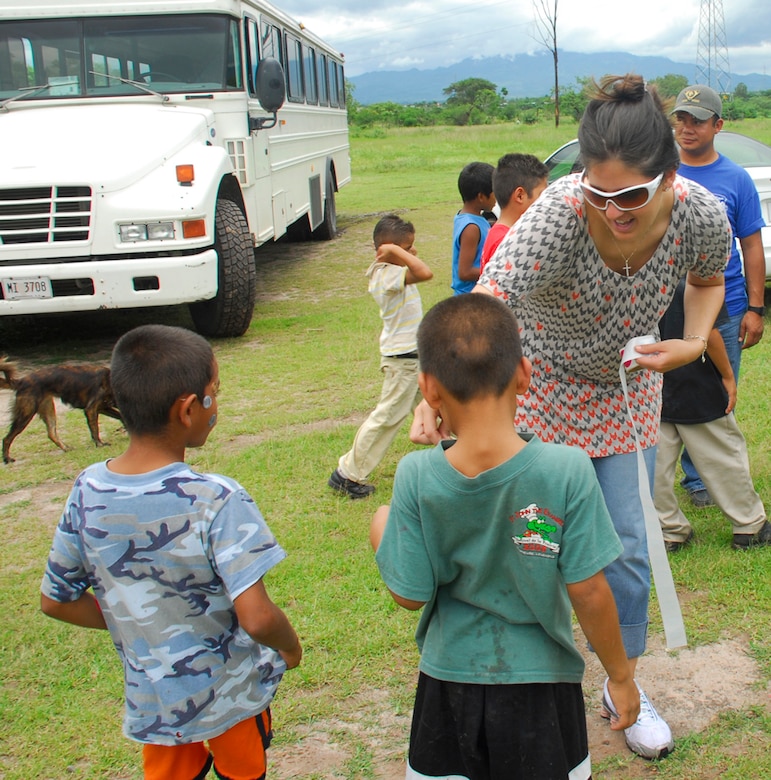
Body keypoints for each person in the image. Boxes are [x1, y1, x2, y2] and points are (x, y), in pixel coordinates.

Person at [411, 73, 731, 761]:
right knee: (536, 544)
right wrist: (437, 392)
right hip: (540, 392)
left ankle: (624, 685)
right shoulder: (559, 213)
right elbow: (489, 303)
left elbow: (706, 282)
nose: (614, 210)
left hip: (624, 391)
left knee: (621, 545)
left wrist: (694, 340)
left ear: (670, 177)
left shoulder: (699, 214)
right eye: (599, 193)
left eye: (632, 196)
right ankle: (536, 674)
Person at [371, 294, 640, 780]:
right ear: (524, 372)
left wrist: (380, 526)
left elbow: (408, 595)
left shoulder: (414, 475)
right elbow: (589, 590)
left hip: (446, 686)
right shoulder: (568, 469)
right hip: (542, 688)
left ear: (427, 388)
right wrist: (620, 676)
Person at [40, 324, 302, 780]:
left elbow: (55, 600)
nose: (215, 404)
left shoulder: (87, 491)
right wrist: (291, 648)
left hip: (155, 706)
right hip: (232, 698)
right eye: (213, 393)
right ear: (188, 409)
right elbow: (257, 617)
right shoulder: (216, 498)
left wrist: (140, 618)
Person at [671, 84, 766, 508]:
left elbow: (751, 245)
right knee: (669, 389)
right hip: (665, 303)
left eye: (697, 120)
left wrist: (755, 307)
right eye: (681, 118)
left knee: (718, 388)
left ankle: (709, 476)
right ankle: (688, 477)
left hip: (722, 303)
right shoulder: (661, 173)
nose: (687, 127)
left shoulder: (735, 179)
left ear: (718, 125)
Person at [654, 280, 771, 551]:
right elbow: (710, 335)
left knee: (654, 467)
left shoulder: (633, 283)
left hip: (652, 389)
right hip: (699, 388)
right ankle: (749, 525)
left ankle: (668, 530)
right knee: (723, 457)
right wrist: (728, 377)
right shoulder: (692, 285)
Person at [329, 214, 433, 499]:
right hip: (402, 361)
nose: (413, 252)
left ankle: (457, 452)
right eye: (407, 247)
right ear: (387, 251)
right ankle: (347, 474)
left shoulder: (393, 271)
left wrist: (399, 251)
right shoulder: (385, 274)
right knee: (387, 417)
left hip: (412, 357)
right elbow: (425, 273)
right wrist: (397, 253)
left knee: (434, 406)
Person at [479, 152, 549, 272]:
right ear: (520, 196)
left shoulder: (504, 234)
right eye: (542, 194)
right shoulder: (507, 242)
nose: (547, 201)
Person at [451, 161, 496, 295]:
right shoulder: (471, 227)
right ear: (481, 196)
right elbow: (465, 272)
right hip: (469, 298)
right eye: (495, 192)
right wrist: (496, 271)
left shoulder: (471, 217)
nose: (497, 197)